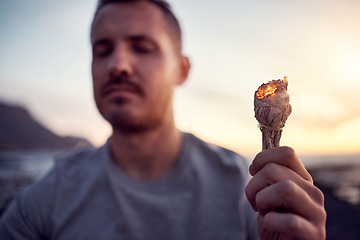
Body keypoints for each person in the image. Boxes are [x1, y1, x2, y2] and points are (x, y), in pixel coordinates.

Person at [0, 0, 326, 239]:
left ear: (182, 70)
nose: (118, 64)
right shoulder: (46, 199)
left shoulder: (244, 186)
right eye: (102, 50)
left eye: (142, 47)